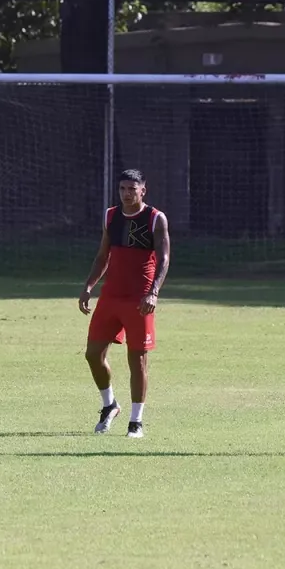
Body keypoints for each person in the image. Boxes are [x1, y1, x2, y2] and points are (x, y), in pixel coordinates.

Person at [78, 168, 171, 438]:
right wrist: (88, 286)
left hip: (139, 298)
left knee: (137, 359)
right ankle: (109, 405)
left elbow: (164, 259)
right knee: (93, 354)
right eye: (122, 189)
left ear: (143, 190)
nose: (127, 194)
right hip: (111, 296)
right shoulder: (110, 216)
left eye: (132, 189)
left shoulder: (155, 219)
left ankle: (136, 422)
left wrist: (153, 292)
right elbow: (102, 256)